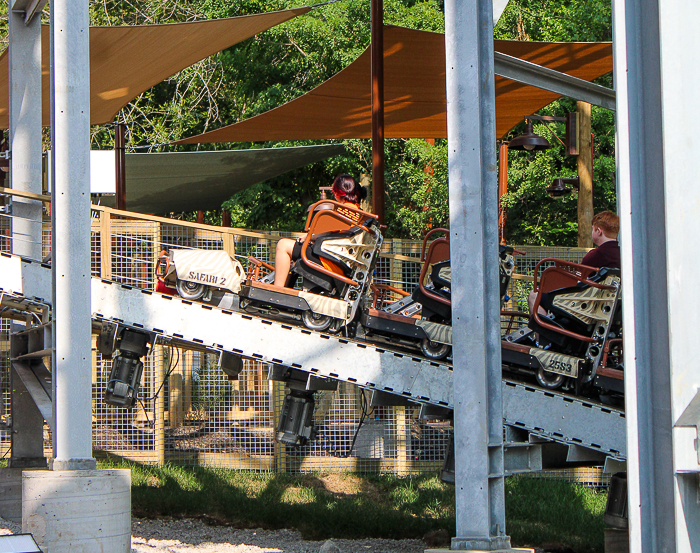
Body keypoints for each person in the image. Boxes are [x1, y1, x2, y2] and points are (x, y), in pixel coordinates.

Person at [273, 174, 368, 287]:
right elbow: (332, 233)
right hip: (339, 262)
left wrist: (308, 237)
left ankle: (277, 289)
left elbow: (326, 233)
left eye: (334, 192)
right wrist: (310, 237)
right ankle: (284, 288)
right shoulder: (357, 212)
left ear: (338, 193)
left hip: (331, 263)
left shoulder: (345, 211)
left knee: (283, 244)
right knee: (296, 250)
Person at [527, 210, 620, 314]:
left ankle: (541, 330)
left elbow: (577, 281)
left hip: (585, 309)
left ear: (599, 231)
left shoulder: (596, 255)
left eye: (592, 230)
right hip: (610, 307)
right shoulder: (624, 255)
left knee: (534, 295)